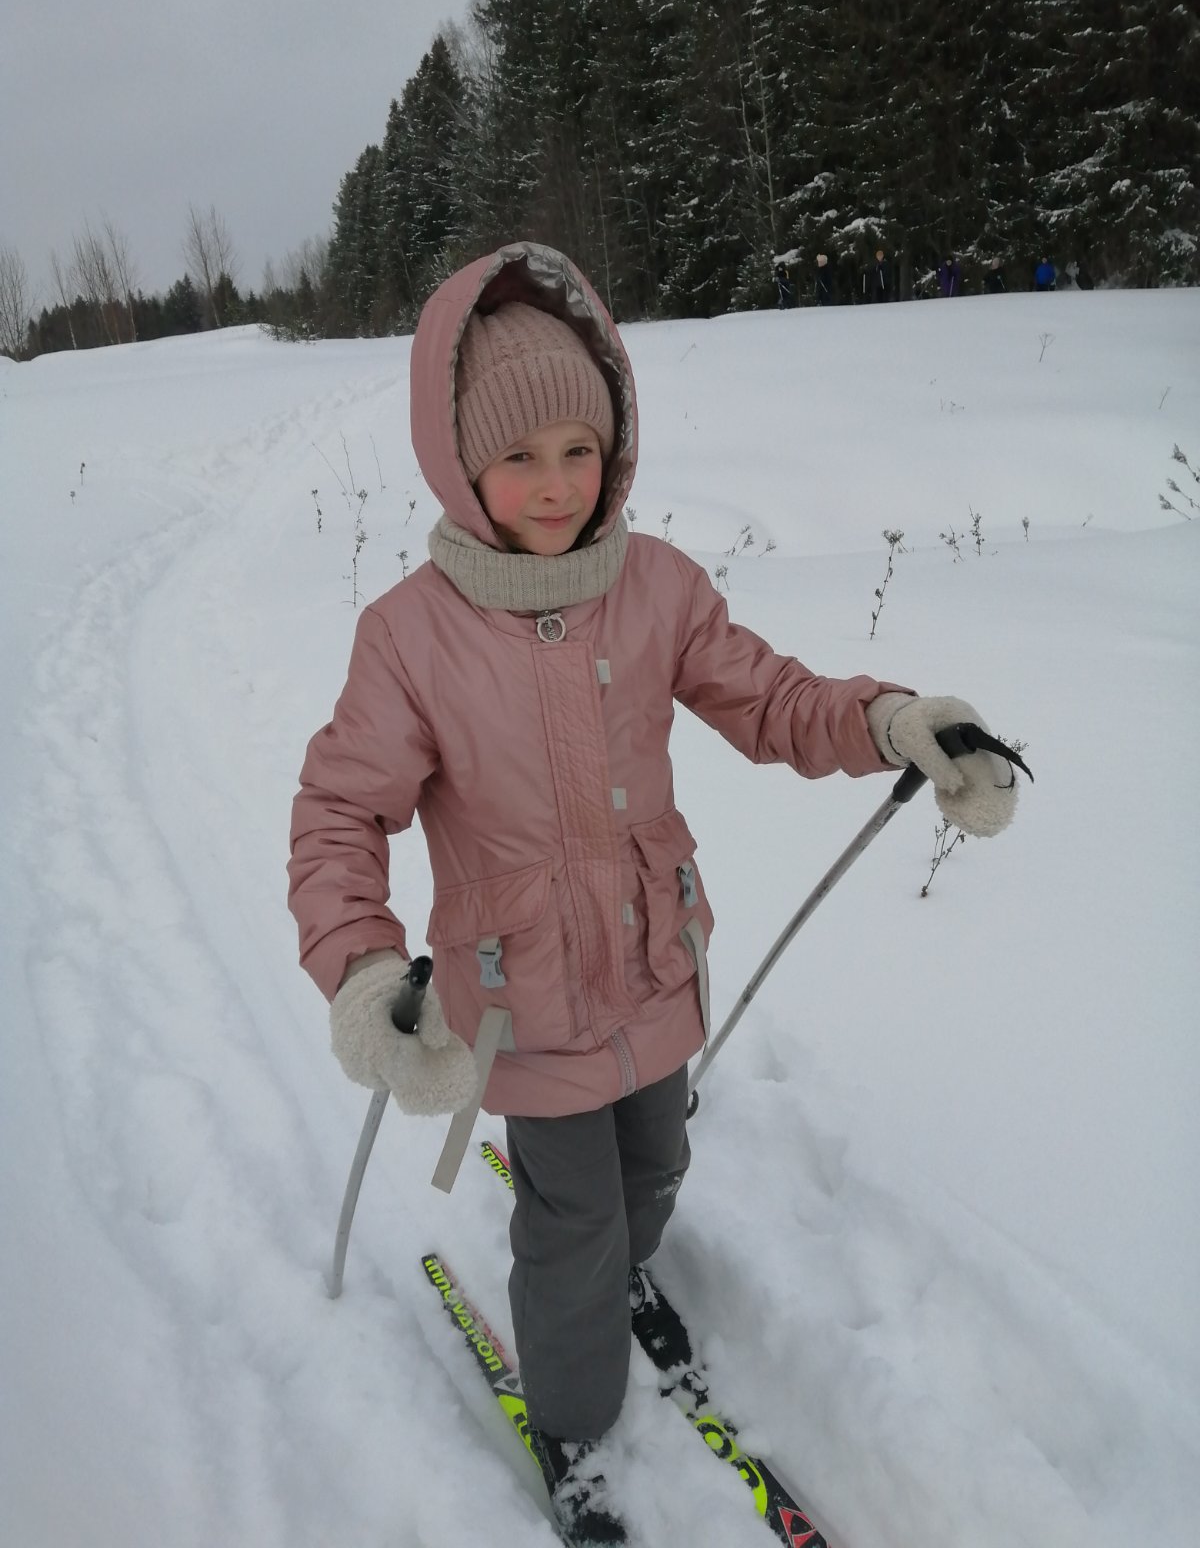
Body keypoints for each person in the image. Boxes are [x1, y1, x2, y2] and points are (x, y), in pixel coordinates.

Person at [286, 240, 1018, 1546]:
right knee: (571, 1216)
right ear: (460, 463)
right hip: (519, 1004)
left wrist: (894, 720)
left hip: (656, 969)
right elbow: (341, 809)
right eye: (519, 459)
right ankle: (577, 1424)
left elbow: (773, 697)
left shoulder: (657, 585)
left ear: (615, 441)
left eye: (580, 449)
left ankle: (617, 1273)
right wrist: (359, 966)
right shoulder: (411, 636)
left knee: (658, 1163)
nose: (557, 485)